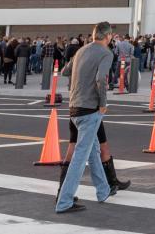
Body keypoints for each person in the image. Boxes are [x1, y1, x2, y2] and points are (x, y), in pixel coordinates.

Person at [55, 22, 116, 214]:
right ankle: (64, 201)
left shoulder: (81, 50)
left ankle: (103, 190)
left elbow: (65, 71)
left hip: (74, 107)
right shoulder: (106, 53)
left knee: (93, 151)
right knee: (80, 157)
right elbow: (101, 79)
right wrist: (103, 103)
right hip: (90, 109)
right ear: (108, 36)